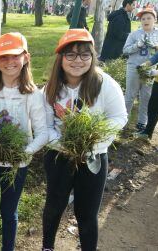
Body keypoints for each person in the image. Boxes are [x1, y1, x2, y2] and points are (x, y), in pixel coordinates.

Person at [42, 29, 128, 251]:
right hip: (59, 155)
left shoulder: (104, 84)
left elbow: (119, 117)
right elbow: (44, 126)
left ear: (92, 57)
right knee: (54, 206)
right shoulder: (49, 89)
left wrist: (93, 138)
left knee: (87, 213)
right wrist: (65, 143)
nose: (77, 61)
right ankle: (47, 247)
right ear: (60, 58)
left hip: (93, 157)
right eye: (70, 54)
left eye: (84, 55)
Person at [0, 32, 48, 251]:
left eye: (15, 56)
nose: (10, 62)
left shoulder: (33, 94)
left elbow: (42, 132)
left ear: (26, 57)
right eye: (3, 57)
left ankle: (8, 247)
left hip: (17, 163)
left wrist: (27, 151)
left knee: (9, 211)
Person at [123, 8, 158, 132]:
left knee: (146, 97)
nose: (146, 20)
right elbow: (125, 50)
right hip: (134, 67)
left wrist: (156, 46)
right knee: (130, 95)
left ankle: (141, 123)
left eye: (149, 18)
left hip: (150, 70)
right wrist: (137, 45)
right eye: (143, 18)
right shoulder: (134, 34)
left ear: (154, 19)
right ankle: (123, 120)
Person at [135, 51, 158, 140]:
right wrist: (144, 65)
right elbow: (157, 56)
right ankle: (147, 133)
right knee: (153, 108)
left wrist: (157, 72)